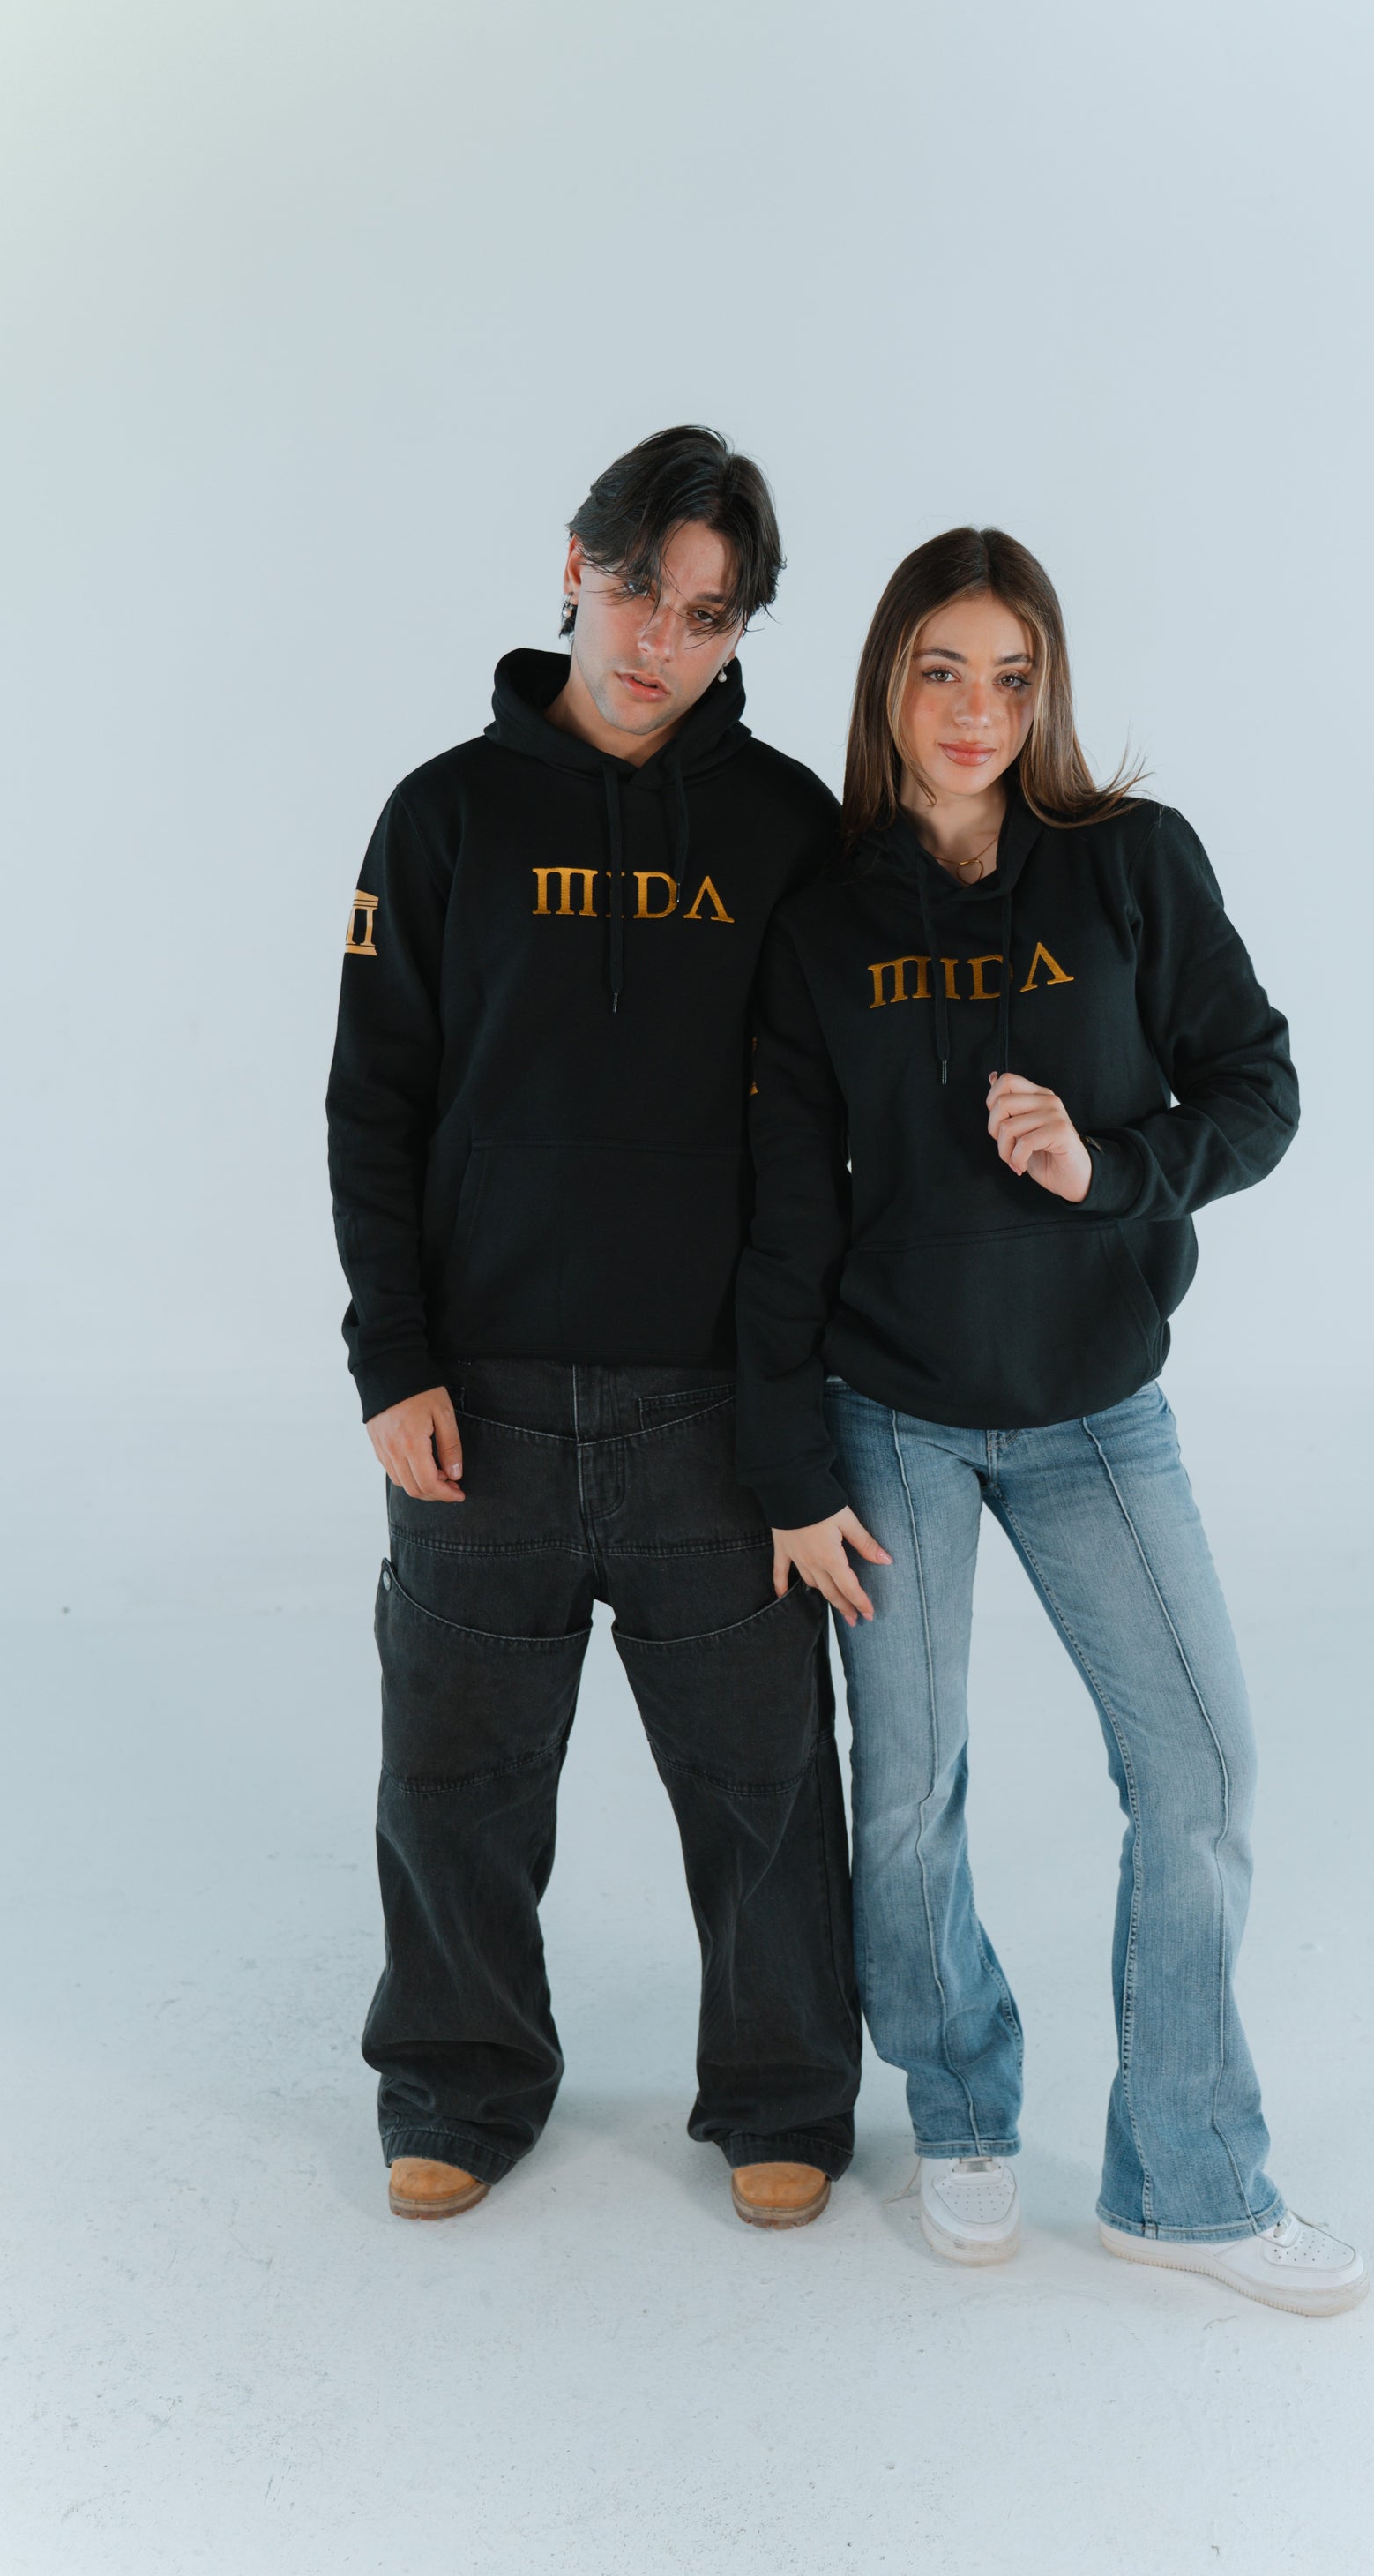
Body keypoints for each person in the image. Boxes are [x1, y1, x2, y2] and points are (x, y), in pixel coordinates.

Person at [735, 528, 1368, 2313]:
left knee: (1202, 1771)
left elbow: (1257, 1087)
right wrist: (787, 1467)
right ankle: (959, 2105)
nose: (975, 711)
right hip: (889, 1415)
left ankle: (1187, 2181)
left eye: (1010, 677)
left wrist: (1112, 1168)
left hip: (1097, 1410)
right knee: (907, 1798)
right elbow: (780, 1219)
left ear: (1046, 690)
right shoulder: (823, 919)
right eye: (941, 670)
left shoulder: (1129, 866)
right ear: (888, 680)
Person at [326, 426, 859, 2230]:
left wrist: (793, 1407)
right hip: (478, 1404)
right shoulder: (442, 817)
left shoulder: (787, 830)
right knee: (454, 1777)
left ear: (739, 629)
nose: (658, 641)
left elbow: (817, 1143)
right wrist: (391, 1357)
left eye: (707, 615)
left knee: (762, 1779)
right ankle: (457, 2081)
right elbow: (374, 1102)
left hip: (713, 1406)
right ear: (575, 567)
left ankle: (782, 2089)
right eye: (637, 590)